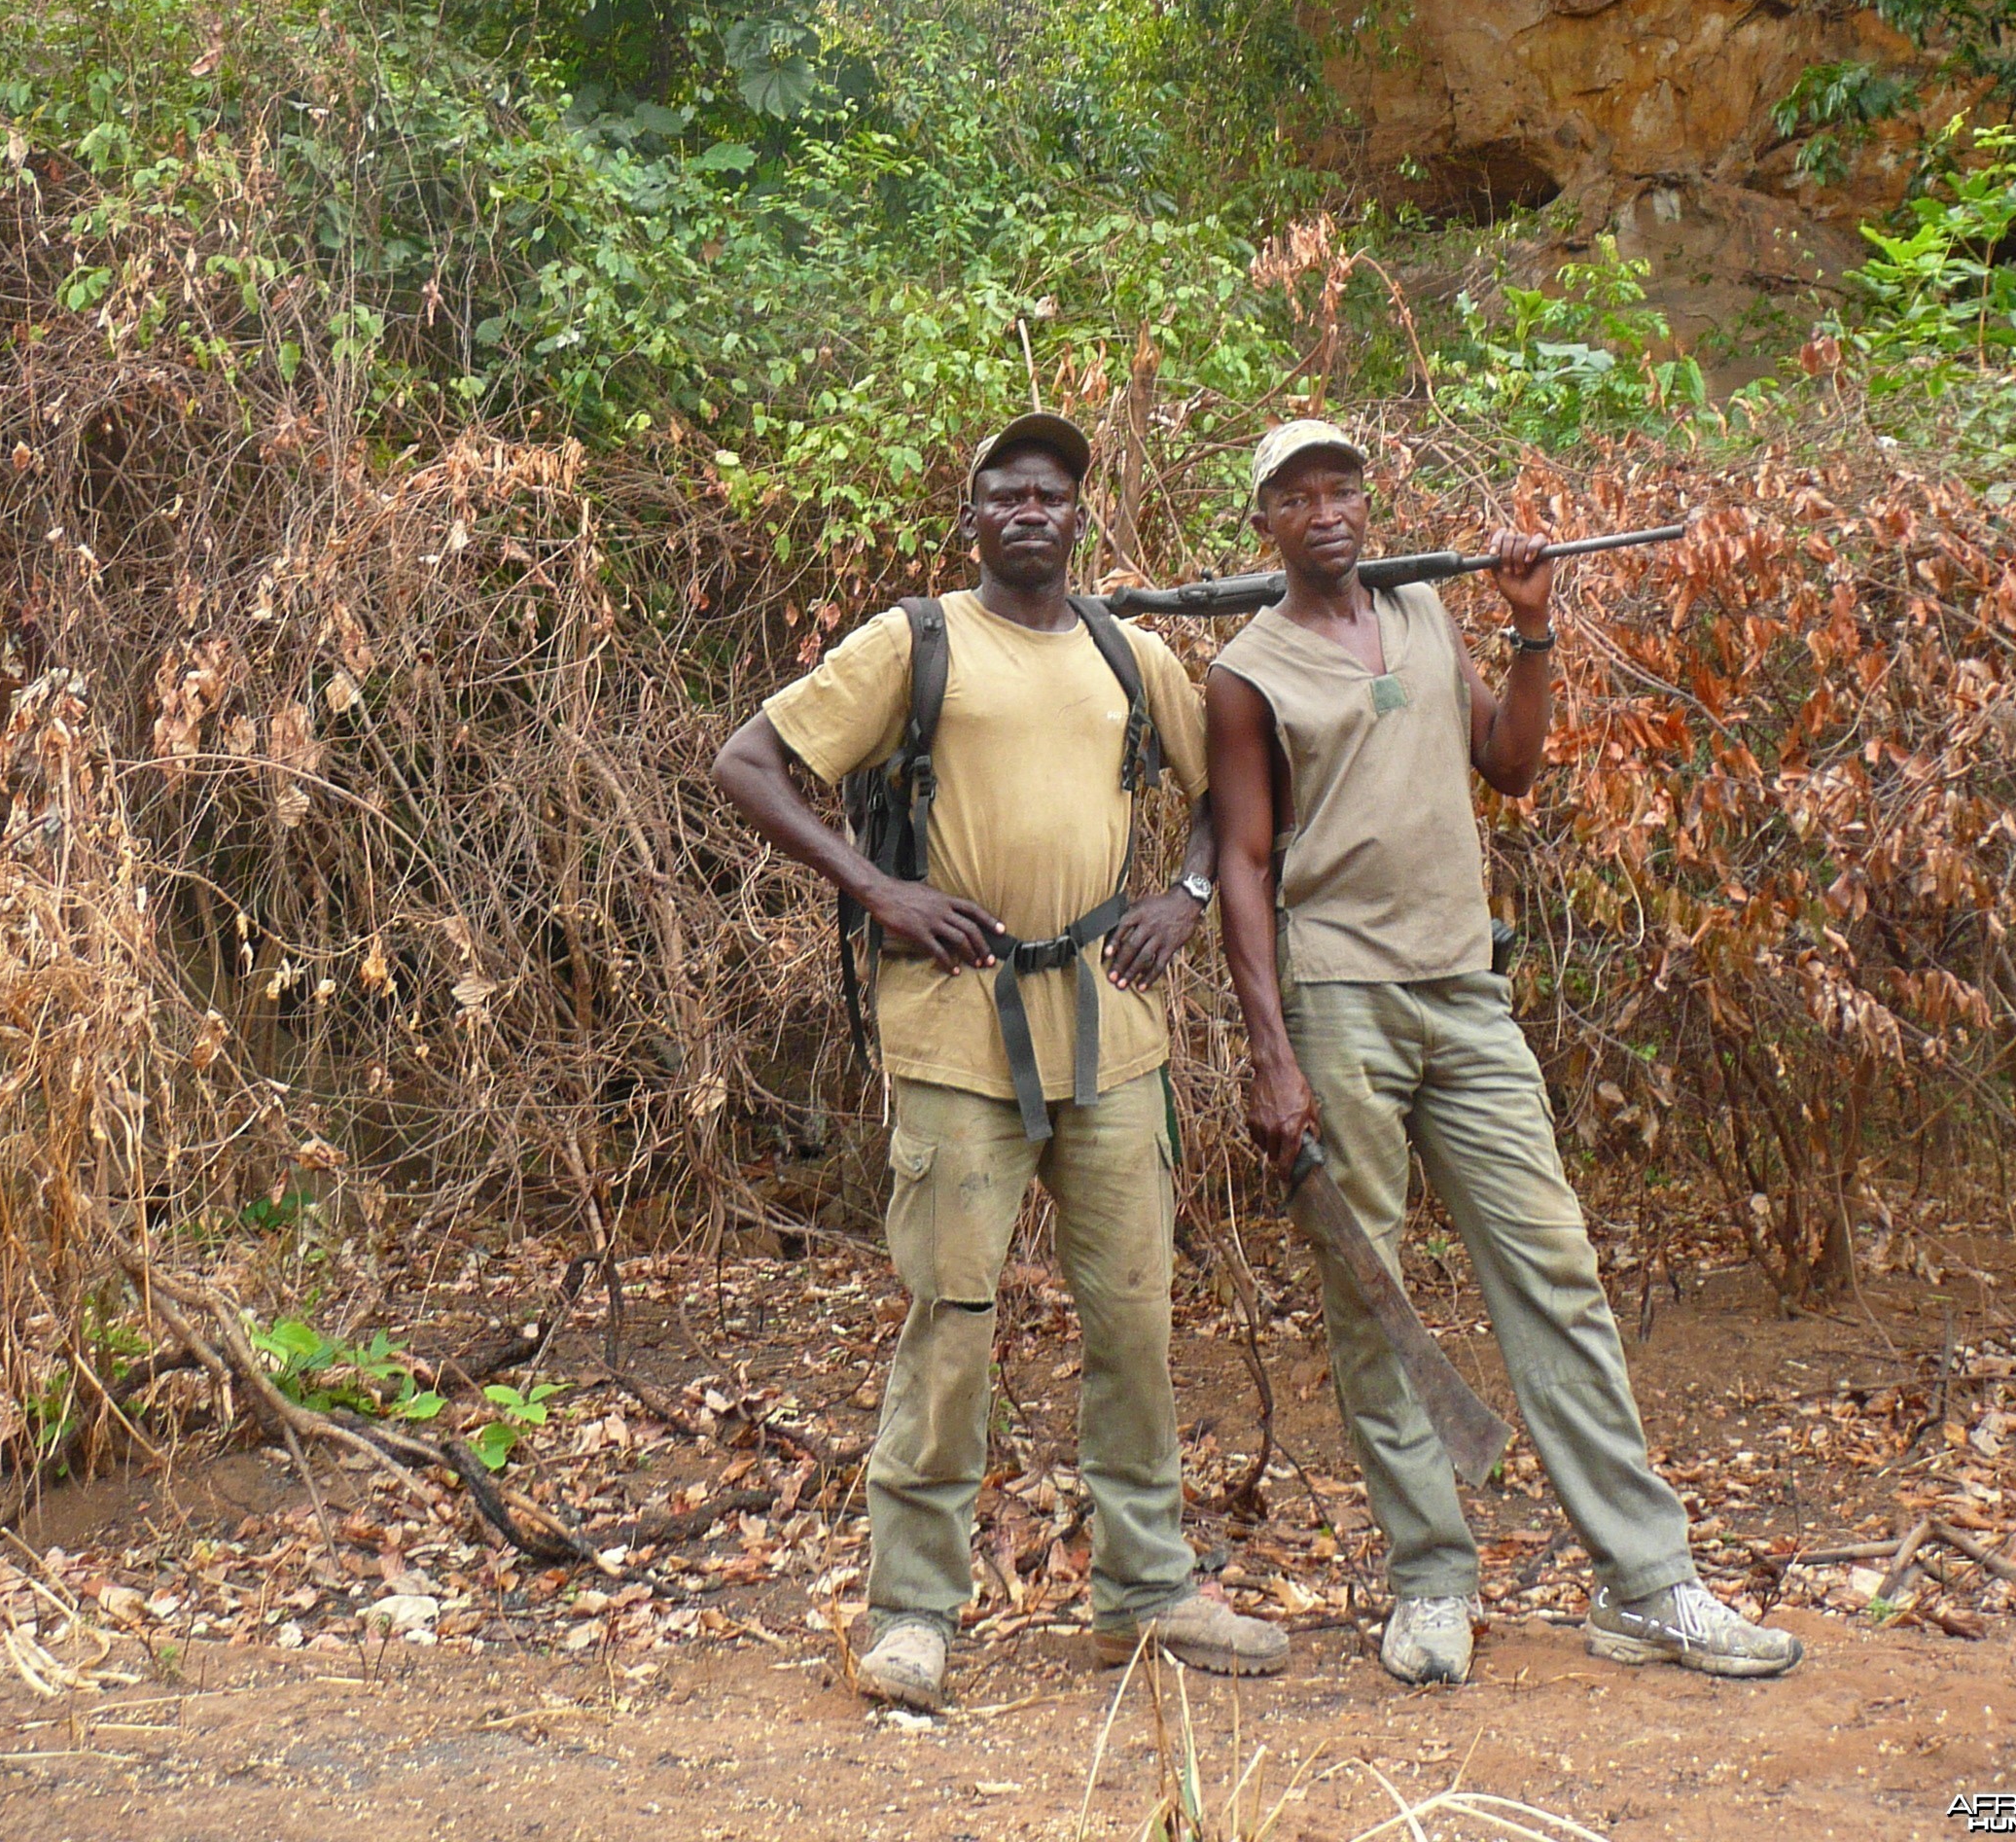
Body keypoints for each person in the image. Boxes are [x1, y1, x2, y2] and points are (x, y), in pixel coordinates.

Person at [1207, 419, 1803, 1686]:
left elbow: (1514, 764)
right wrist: (1271, 1052)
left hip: (1465, 995)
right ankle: (1430, 1580)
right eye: (1297, 498)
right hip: (1338, 1001)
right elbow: (1246, 867)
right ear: (1263, 524)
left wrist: (1533, 625)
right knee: (1376, 1300)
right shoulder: (1246, 671)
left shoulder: (1428, 614)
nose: (1327, 513)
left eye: (1344, 489)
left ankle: (1649, 1584)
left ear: (1369, 504)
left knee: (1556, 1273)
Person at [713, 412, 1289, 1712]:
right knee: (951, 1320)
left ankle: (1145, 1591)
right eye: (1004, 492)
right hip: (956, 1030)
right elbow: (750, 761)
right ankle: (913, 1607)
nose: (1030, 510)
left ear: (1082, 516)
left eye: (1053, 493)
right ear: (971, 515)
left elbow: (1233, 782)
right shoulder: (910, 643)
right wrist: (876, 889)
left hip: (1111, 1025)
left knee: (1136, 1318)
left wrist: (1189, 892)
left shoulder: (1125, 652)